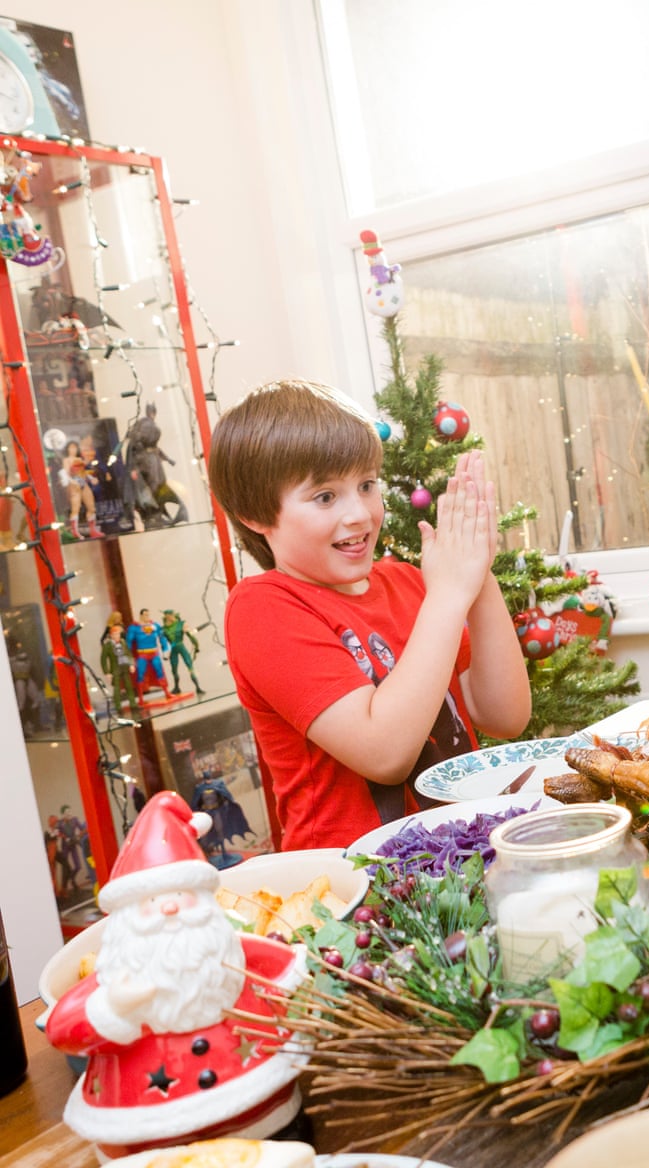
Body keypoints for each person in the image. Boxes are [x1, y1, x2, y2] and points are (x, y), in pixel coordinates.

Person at [209, 379, 531, 850]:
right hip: (360, 887)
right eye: (325, 496)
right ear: (255, 515)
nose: (360, 513)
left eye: (366, 485)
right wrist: (448, 594)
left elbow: (503, 715)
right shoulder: (263, 607)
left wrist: (477, 575)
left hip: (463, 858)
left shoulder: (409, 583)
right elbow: (385, 754)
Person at [44, 791, 307, 1158]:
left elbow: (287, 966)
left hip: (262, 1112)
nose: (168, 907)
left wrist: (304, 974)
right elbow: (61, 1027)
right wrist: (111, 1008)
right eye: (151, 902)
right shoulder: (120, 973)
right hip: (146, 1131)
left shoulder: (225, 950)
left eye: (182, 895)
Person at [162, 607, 204, 695]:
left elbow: (190, 636)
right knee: (174, 669)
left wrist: (196, 646)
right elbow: (163, 642)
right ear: (166, 616)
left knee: (189, 665)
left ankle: (198, 687)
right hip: (172, 649)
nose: (171, 617)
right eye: (169, 615)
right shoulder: (164, 629)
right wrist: (165, 653)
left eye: (172, 615)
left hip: (180, 646)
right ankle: (177, 687)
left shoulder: (181, 624)